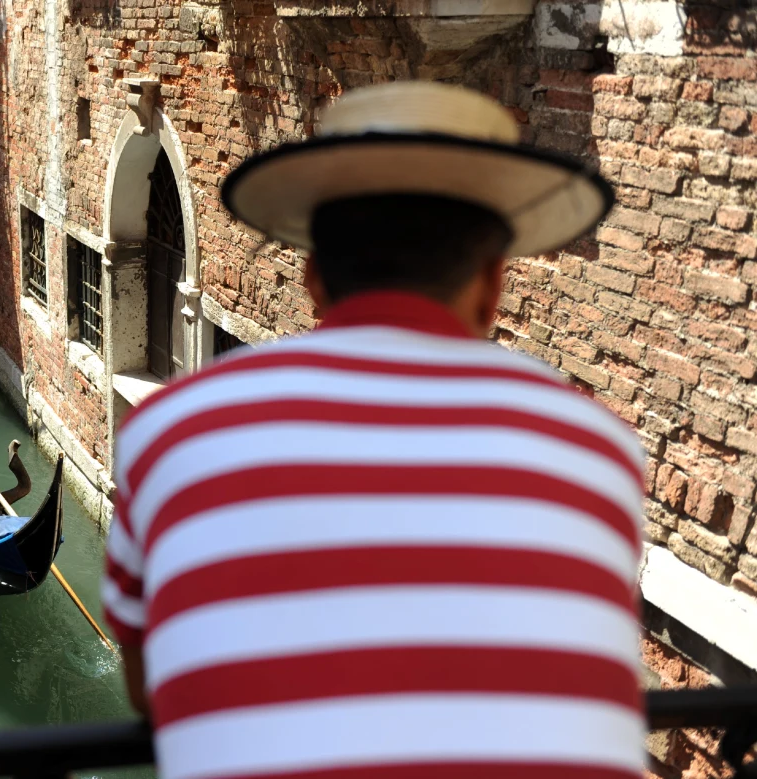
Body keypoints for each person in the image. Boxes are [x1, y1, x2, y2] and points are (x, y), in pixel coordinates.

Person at [101, 82, 646, 779]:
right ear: (493, 284)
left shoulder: (166, 432)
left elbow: (152, 687)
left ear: (313, 278)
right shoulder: (598, 449)